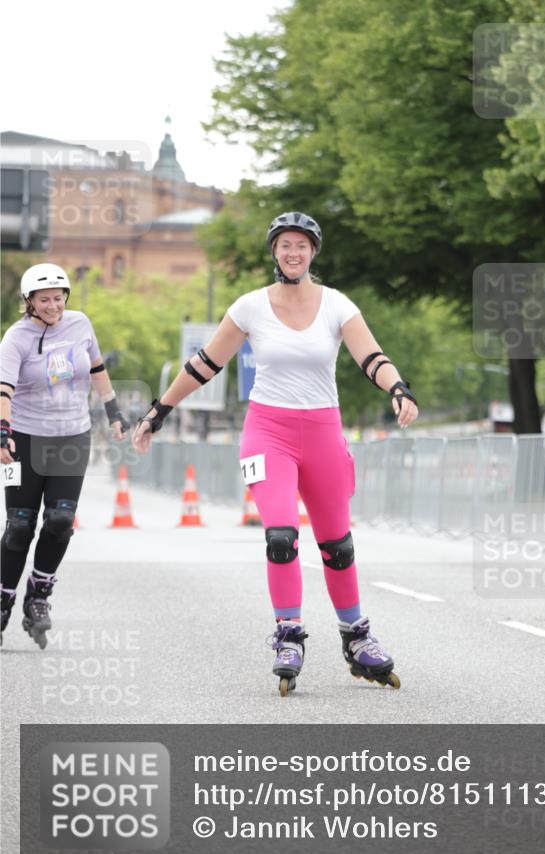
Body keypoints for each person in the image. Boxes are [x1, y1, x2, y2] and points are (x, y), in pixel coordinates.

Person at [132, 212, 418, 695]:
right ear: (274, 251)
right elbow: (205, 364)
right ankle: (289, 635)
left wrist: (398, 388)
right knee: (281, 536)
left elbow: (372, 356)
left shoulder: (336, 305)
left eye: (301, 245)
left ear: (313, 252)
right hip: (268, 433)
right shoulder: (250, 307)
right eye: (285, 244)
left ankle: (355, 637)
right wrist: (158, 411)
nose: (293, 252)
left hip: (323, 433)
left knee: (337, 545)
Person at [0, 264, 130, 647]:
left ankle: (38, 596)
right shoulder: (16, 338)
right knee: (19, 525)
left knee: (60, 520)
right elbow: (4, 390)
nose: (53, 306)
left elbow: (97, 367)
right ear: (29, 302)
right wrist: (3, 432)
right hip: (24, 439)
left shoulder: (79, 324)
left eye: (58, 298)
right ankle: (3, 599)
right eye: (44, 300)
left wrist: (113, 411)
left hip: (72, 437)